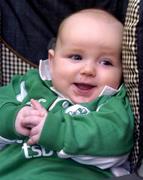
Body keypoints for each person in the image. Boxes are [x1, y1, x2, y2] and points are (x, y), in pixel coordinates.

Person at [0, 9, 134, 180]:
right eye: (76, 57)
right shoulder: (31, 84)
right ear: (52, 61)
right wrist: (13, 119)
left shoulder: (112, 102)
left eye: (106, 62)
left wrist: (57, 131)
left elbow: (116, 142)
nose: (88, 70)